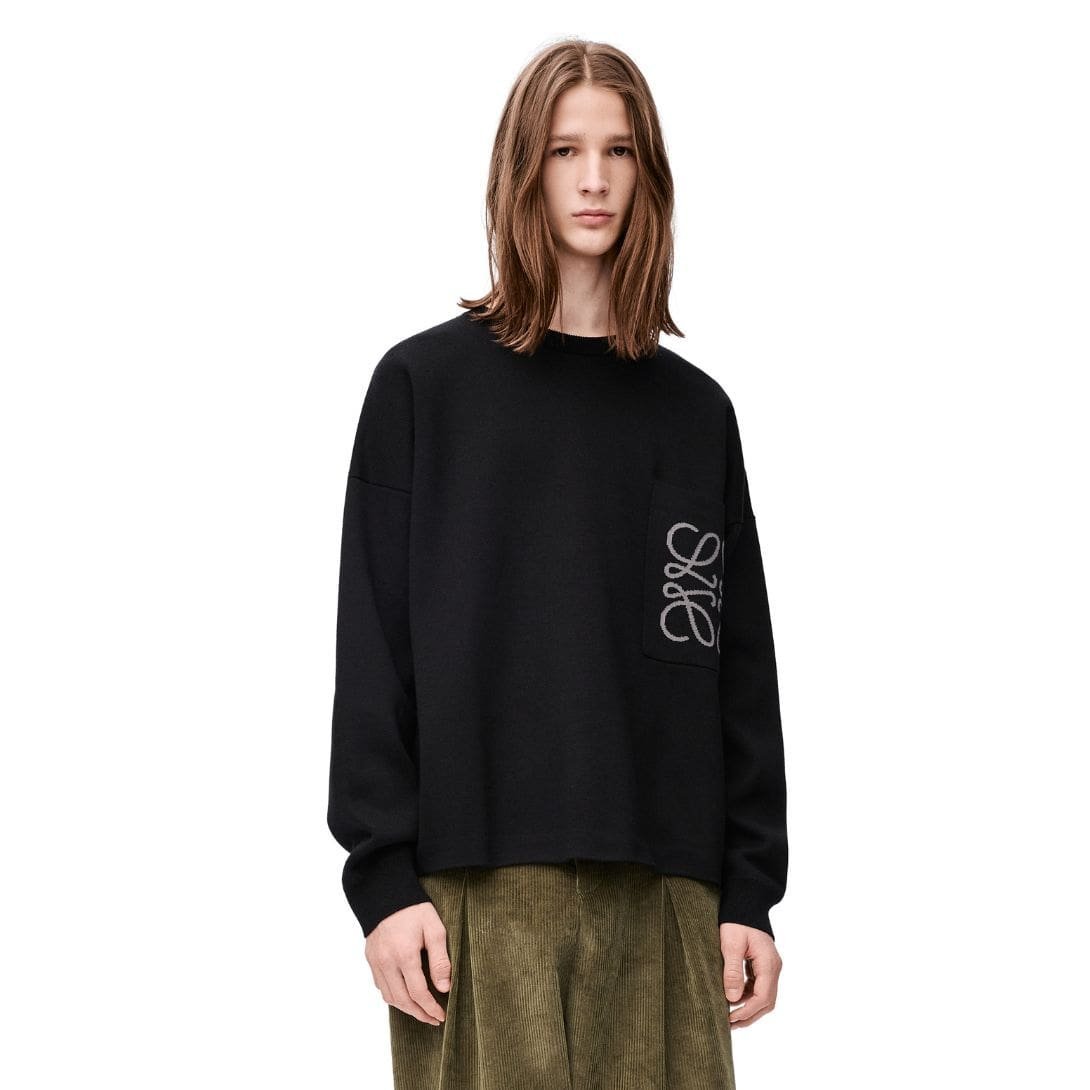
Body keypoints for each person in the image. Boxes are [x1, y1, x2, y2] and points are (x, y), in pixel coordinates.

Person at [327, 38, 788, 1089]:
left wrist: (749, 890)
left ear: (647, 173)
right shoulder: (423, 389)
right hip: (475, 890)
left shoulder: (695, 414)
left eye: (618, 151)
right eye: (564, 150)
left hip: (668, 893)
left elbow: (736, 666)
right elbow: (373, 646)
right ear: (521, 170)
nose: (592, 179)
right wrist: (384, 881)